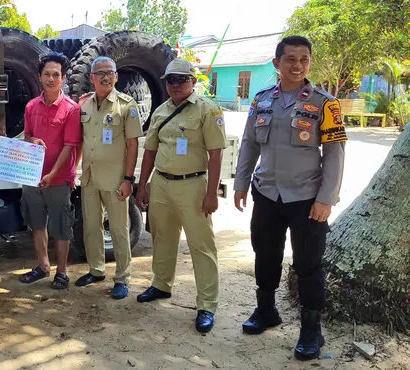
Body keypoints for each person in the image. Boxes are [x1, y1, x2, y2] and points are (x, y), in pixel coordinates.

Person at [233, 35, 345, 361]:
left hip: (307, 198)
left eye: (304, 59)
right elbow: (250, 144)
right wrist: (241, 183)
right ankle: (265, 310)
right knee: (265, 255)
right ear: (276, 63)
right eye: (290, 59)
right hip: (266, 193)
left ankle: (312, 331)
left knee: (308, 265)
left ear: (309, 62)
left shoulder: (325, 103)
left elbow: (335, 153)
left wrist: (326, 198)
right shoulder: (261, 100)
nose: (297, 65)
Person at [134, 58, 227, 334]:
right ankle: (161, 284)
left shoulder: (207, 110)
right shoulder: (161, 111)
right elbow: (150, 151)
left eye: (180, 80)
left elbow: (216, 153)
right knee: (162, 237)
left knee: (201, 245)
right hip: (162, 183)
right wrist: (143, 185)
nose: (174, 85)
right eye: (170, 81)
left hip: (193, 184)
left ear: (193, 82)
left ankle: (207, 305)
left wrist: (212, 193)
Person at [75, 56, 142, 299]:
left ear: (116, 77)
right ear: (92, 78)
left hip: (115, 179)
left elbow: (133, 145)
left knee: (118, 229)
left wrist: (128, 179)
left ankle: (122, 278)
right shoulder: (84, 105)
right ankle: (96, 269)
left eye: (110, 72)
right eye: (100, 72)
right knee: (91, 226)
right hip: (90, 176)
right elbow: (80, 141)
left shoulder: (127, 105)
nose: (105, 76)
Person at [18, 52, 81, 289]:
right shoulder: (31, 106)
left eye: (56, 74)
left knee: (61, 226)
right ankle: (43, 266)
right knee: (37, 223)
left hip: (59, 179)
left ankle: (62, 272)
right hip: (31, 177)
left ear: (63, 78)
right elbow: (26, 136)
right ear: (39, 77)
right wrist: (32, 140)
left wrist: (53, 174)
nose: (51, 79)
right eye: (47, 74)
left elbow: (69, 146)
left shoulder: (71, 109)